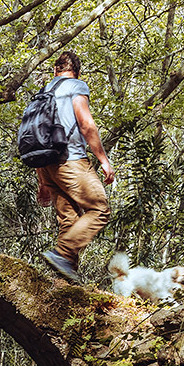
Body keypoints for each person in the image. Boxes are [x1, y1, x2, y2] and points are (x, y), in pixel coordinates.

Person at [36, 50, 114, 284]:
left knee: (69, 221)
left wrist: (42, 181)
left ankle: (64, 284)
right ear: (77, 72)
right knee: (99, 209)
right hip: (70, 161)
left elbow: (36, 136)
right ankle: (61, 254)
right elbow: (87, 125)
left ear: (54, 71)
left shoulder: (43, 93)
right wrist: (103, 160)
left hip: (47, 165)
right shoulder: (76, 86)